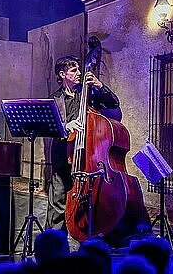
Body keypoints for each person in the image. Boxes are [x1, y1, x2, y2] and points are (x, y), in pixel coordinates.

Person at [45, 55, 121, 232]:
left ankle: (87, 237)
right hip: (63, 155)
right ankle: (55, 241)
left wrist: (99, 85)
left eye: (79, 69)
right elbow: (48, 128)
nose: (79, 73)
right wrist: (66, 126)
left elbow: (114, 105)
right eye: (74, 70)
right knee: (58, 201)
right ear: (63, 74)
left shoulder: (88, 93)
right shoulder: (53, 99)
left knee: (88, 199)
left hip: (88, 155)